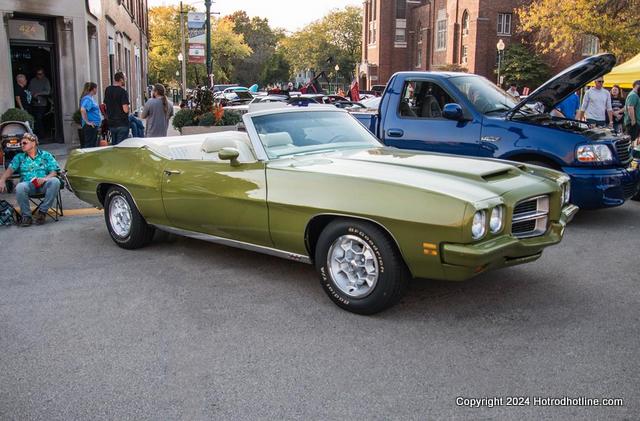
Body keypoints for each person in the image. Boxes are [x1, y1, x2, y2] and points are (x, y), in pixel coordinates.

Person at [0, 133, 60, 226]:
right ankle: (26, 217)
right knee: (20, 186)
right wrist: (2, 179)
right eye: (21, 144)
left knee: (55, 181)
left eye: (24, 143)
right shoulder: (19, 157)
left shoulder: (46, 155)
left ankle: (42, 212)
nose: (22, 145)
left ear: (33, 143)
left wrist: (45, 179)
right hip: (28, 186)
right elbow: (10, 170)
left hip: (44, 184)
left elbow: (54, 172)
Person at [103, 72, 130, 145]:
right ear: (121, 79)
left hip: (111, 123)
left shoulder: (108, 90)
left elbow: (105, 105)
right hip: (122, 123)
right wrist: (128, 107)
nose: (126, 80)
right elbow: (125, 109)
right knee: (121, 147)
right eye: (125, 78)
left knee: (114, 146)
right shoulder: (123, 92)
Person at [28, 68, 51, 138]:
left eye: (40, 74)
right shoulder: (32, 80)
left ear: (43, 74)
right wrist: (32, 95)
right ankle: (35, 134)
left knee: (39, 118)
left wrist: (38, 94)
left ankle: (41, 135)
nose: (38, 75)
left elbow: (48, 92)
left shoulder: (46, 80)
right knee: (33, 119)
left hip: (42, 104)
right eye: (37, 74)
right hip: (33, 103)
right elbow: (29, 90)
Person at [79, 82, 101, 148]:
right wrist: (87, 122)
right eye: (96, 88)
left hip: (93, 125)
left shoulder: (90, 98)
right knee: (89, 146)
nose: (97, 90)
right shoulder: (87, 99)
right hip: (90, 126)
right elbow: (83, 109)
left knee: (92, 145)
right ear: (93, 89)